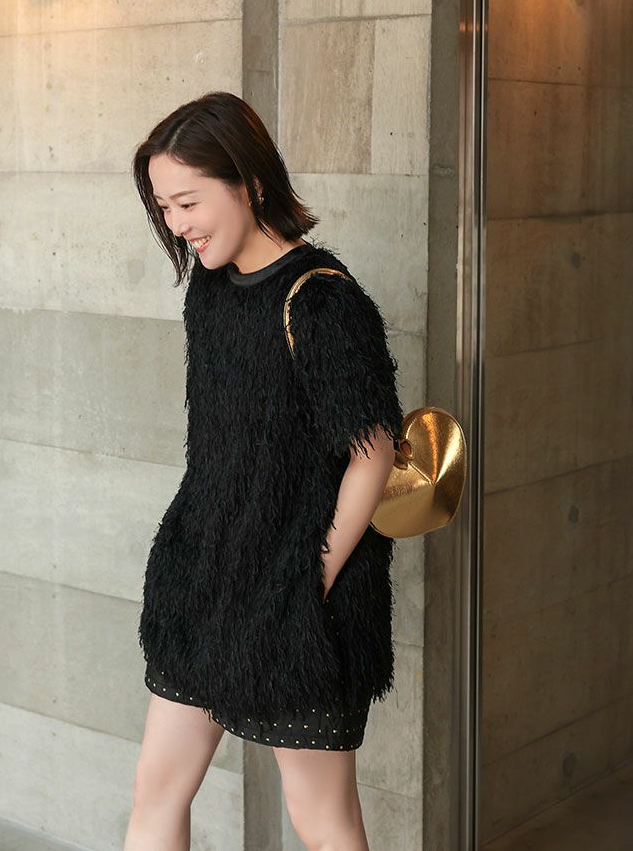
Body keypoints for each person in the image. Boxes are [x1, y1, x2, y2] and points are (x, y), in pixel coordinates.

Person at [124, 91, 404, 851]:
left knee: (323, 820)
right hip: (206, 583)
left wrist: (307, 582)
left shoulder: (323, 301)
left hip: (296, 601)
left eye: (188, 202)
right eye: (164, 207)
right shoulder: (210, 291)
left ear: (248, 183)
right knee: (157, 790)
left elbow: (372, 454)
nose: (177, 224)